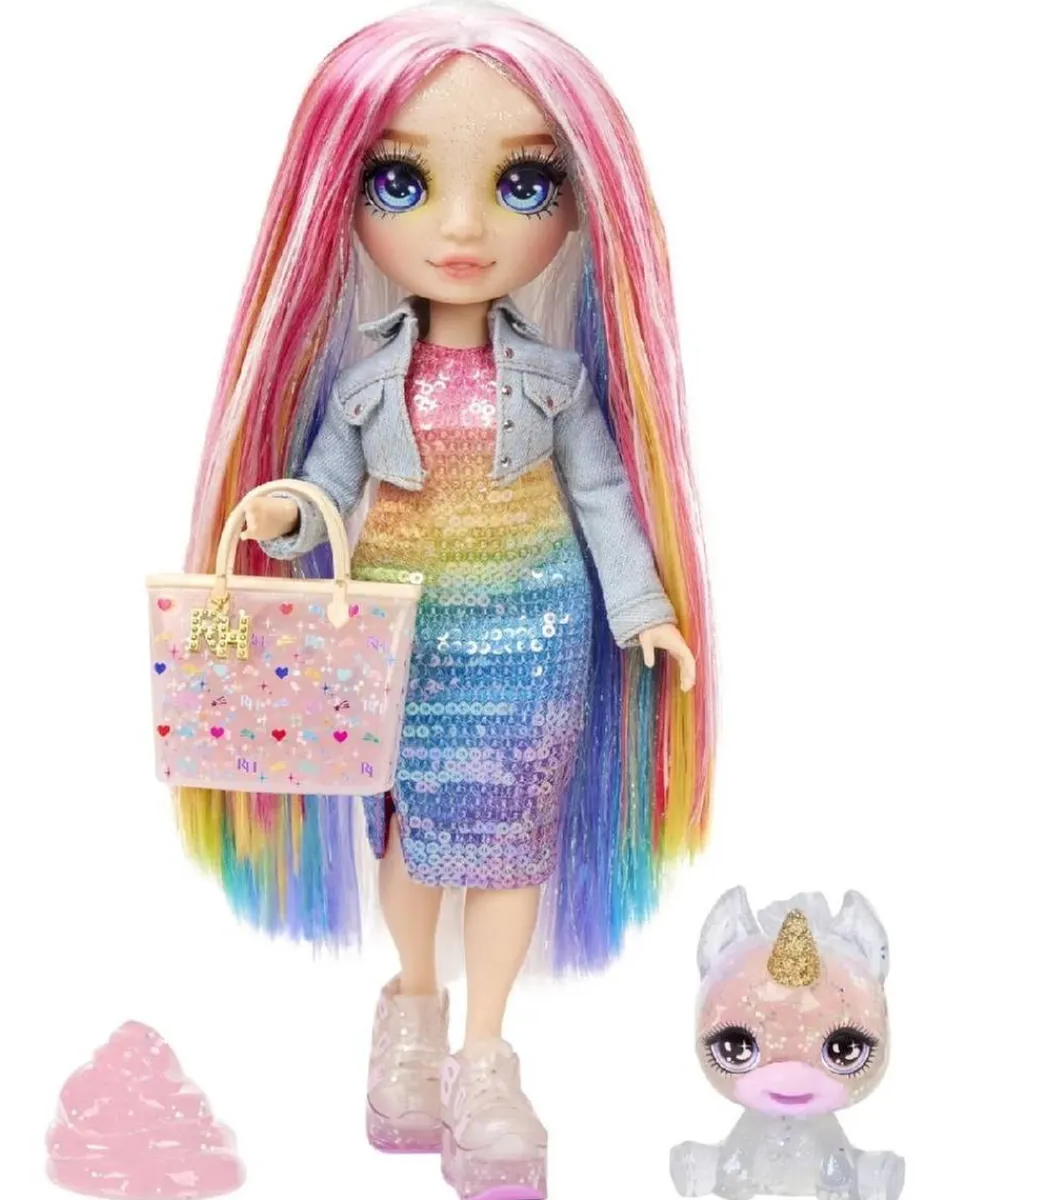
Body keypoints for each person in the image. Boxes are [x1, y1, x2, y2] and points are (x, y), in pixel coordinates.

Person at [177, 5, 715, 1196]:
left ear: (580, 203)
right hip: (399, 639)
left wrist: (643, 610)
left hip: (535, 637)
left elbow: (604, 497)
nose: (463, 228)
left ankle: (486, 1059)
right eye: (403, 181)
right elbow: (326, 489)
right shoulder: (366, 382)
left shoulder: (560, 381)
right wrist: (280, 516)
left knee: (511, 844)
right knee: (411, 828)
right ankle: (412, 1018)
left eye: (524, 183)